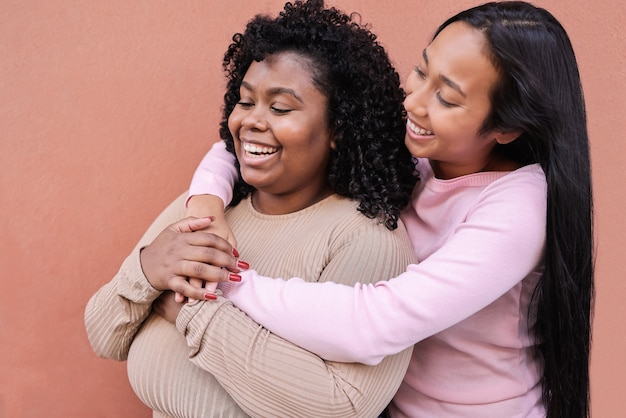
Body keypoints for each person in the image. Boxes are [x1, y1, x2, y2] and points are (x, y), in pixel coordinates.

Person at [181, 1, 595, 417]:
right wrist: (207, 206)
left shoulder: (518, 210)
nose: (414, 102)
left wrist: (227, 278)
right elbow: (239, 148)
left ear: (507, 127)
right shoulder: (421, 147)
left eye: (447, 98)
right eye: (421, 70)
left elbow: (373, 325)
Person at [84, 1, 420, 417]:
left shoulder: (366, 240)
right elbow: (104, 337)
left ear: (339, 127)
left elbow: (342, 407)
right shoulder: (208, 207)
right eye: (245, 102)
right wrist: (149, 269)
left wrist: (188, 308)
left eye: (280, 108)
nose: (251, 122)